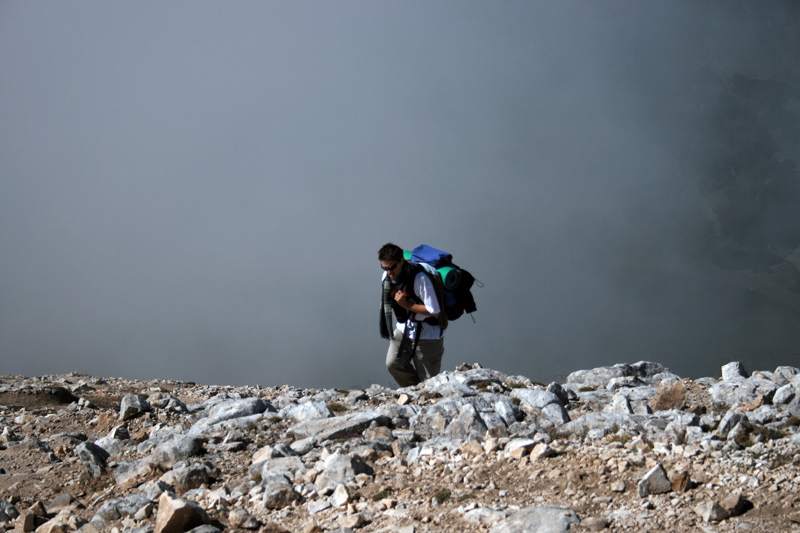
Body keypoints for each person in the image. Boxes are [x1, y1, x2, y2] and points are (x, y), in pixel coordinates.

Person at [378, 243, 445, 387]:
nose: (389, 272)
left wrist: (406, 305)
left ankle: (424, 393)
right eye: (385, 267)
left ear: (402, 261)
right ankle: (415, 392)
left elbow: (434, 310)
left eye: (392, 267)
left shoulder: (420, 279)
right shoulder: (387, 278)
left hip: (427, 334)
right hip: (404, 329)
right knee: (393, 363)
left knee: (429, 382)